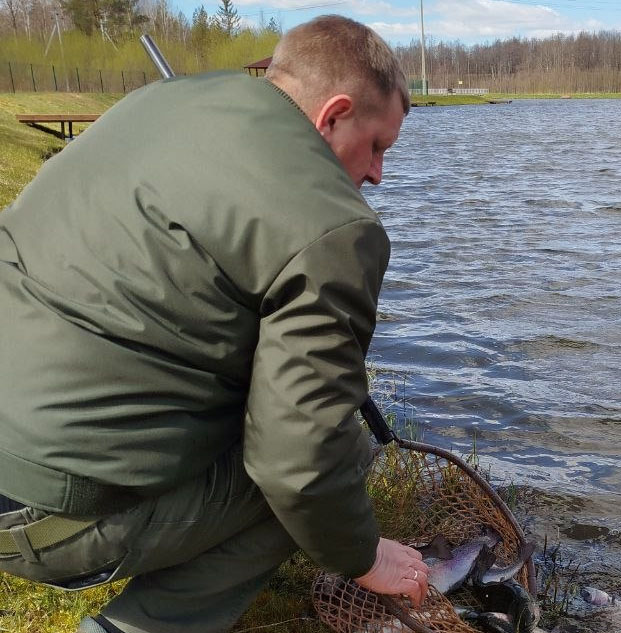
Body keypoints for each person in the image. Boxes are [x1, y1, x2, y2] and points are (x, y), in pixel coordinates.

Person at [0, 15, 429, 633]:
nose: (378, 174)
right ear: (333, 116)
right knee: (329, 461)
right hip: (39, 509)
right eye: (377, 147)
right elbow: (298, 465)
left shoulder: (157, 103)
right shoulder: (336, 226)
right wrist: (364, 555)